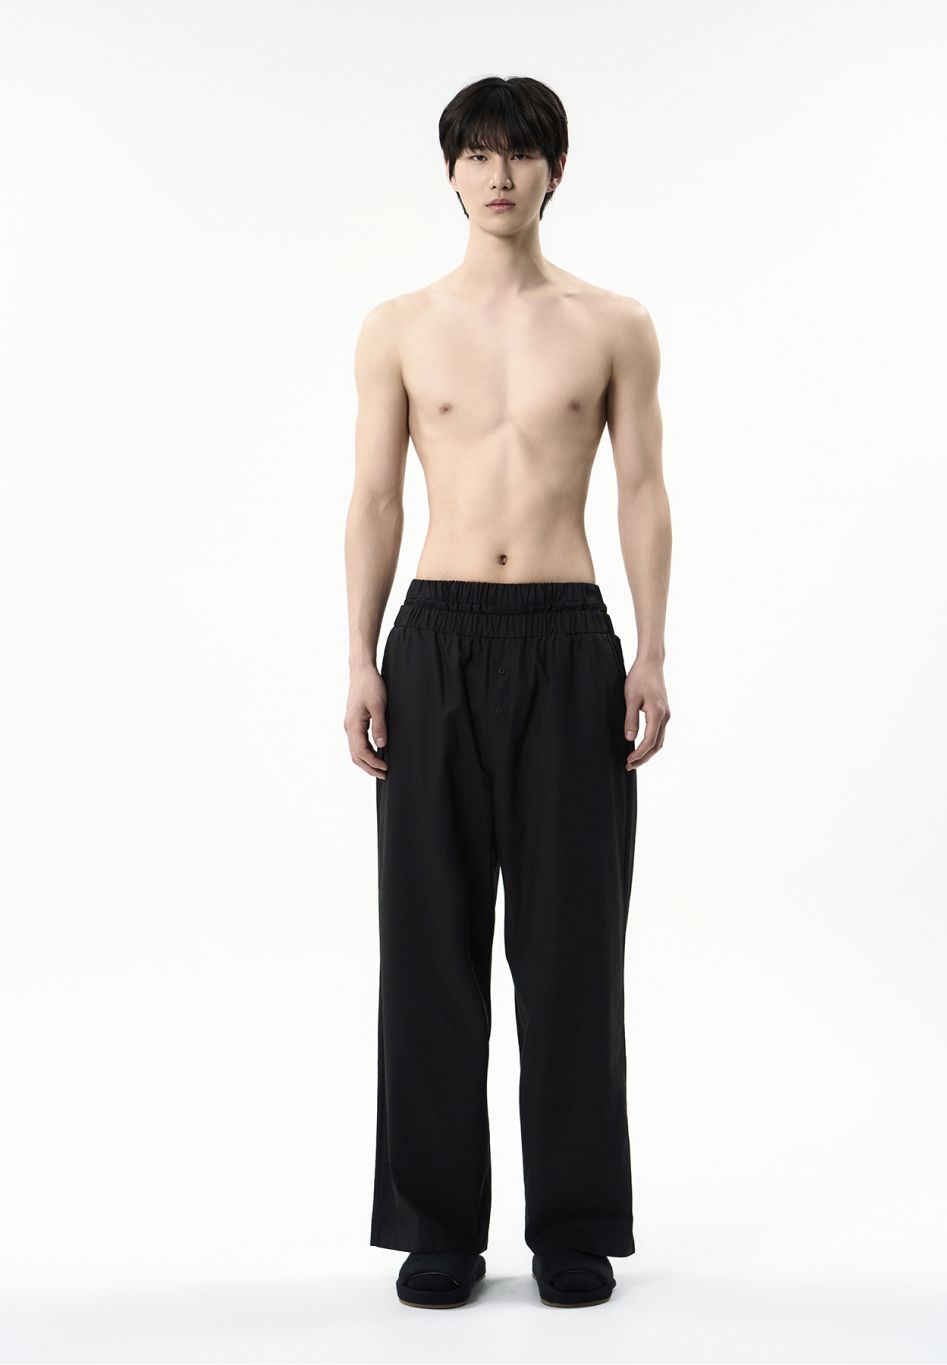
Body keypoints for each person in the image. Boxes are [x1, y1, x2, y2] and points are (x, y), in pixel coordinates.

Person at [344, 74, 671, 1309]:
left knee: (570, 951)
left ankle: (573, 1225)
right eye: (477, 154)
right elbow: (377, 497)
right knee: (428, 950)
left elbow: (642, 490)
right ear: (450, 173)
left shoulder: (613, 324)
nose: (498, 175)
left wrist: (650, 651)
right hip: (435, 641)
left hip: (567, 639)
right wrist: (360, 655)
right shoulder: (398, 327)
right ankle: (437, 1227)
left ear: (554, 170)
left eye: (520, 154)